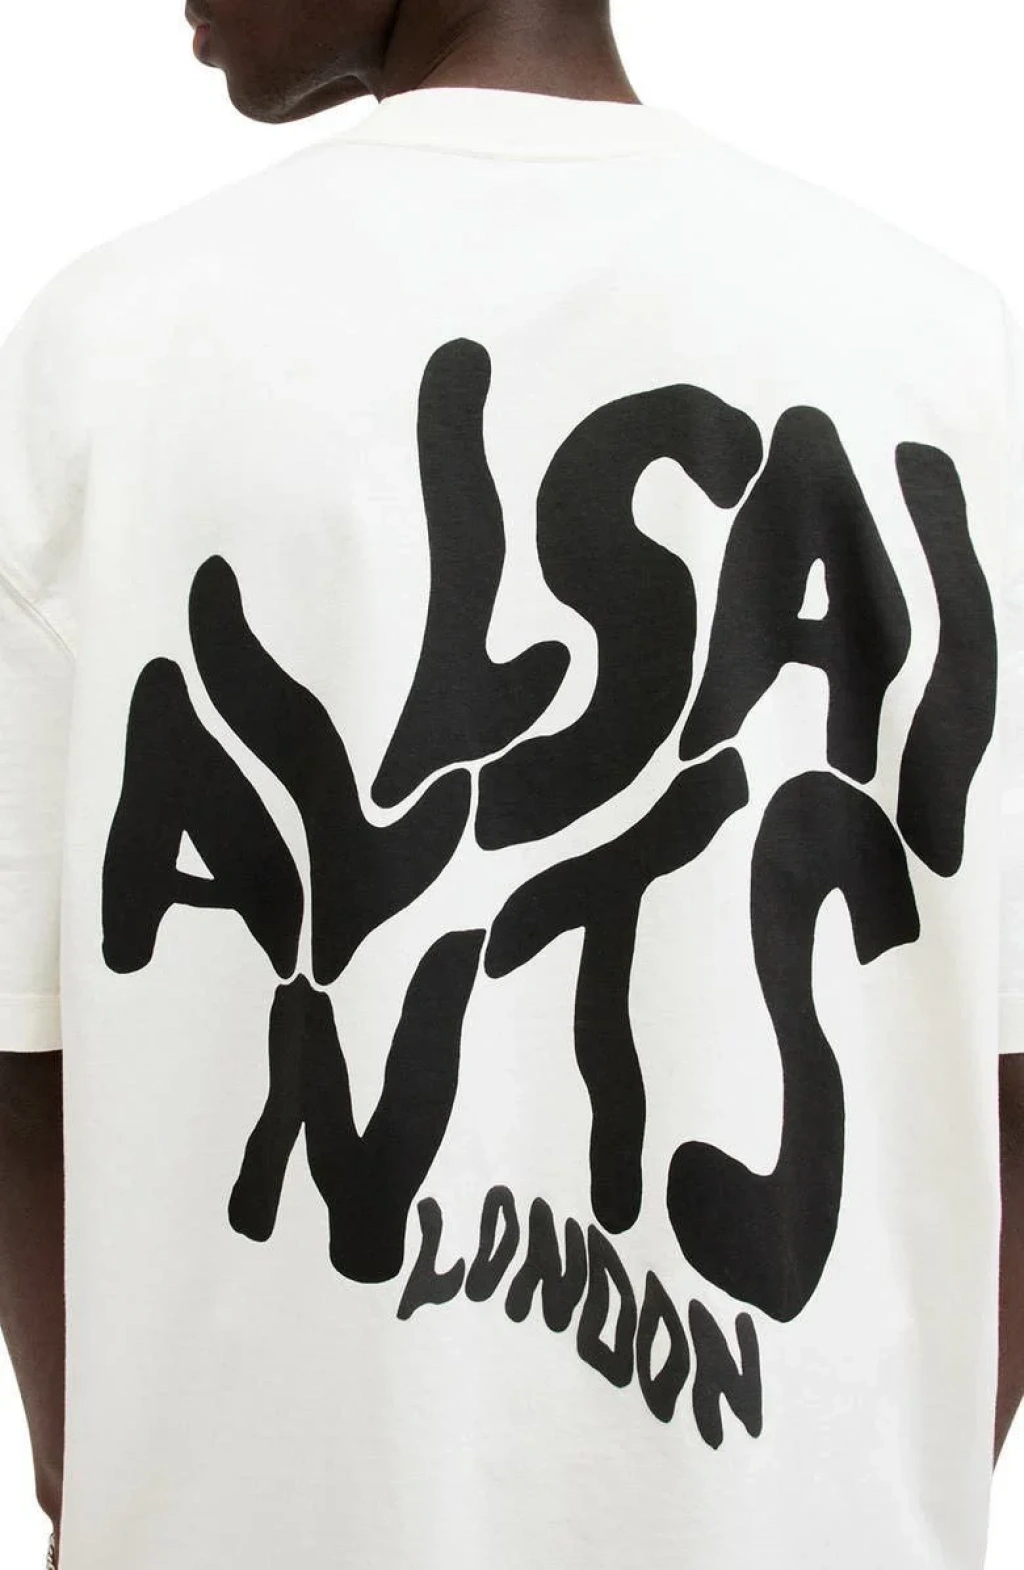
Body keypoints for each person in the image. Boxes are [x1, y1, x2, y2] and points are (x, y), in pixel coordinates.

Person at [0, 0, 1022, 1565]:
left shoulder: (119, 352)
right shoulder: (949, 360)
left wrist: (122, 1488)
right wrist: (883, 1492)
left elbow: (23, 1063)